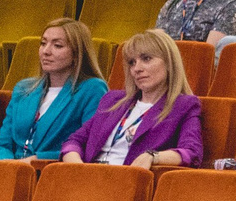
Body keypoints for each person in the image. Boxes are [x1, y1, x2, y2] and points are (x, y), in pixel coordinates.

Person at [62, 30, 203, 168]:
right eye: (132, 62)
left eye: (146, 59)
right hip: (89, 175)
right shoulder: (112, 100)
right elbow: (74, 141)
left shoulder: (184, 105)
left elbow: (192, 152)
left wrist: (153, 156)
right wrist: (78, 167)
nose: (137, 68)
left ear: (169, 62)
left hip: (129, 178)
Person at [0, 19, 108, 160]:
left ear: (77, 54)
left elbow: (88, 146)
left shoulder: (92, 89)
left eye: (57, 45)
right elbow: (1, 143)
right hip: (13, 168)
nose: (46, 51)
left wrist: (38, 160)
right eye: (43, 43)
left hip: (53, 170)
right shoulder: (23, 88)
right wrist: (7, 164)